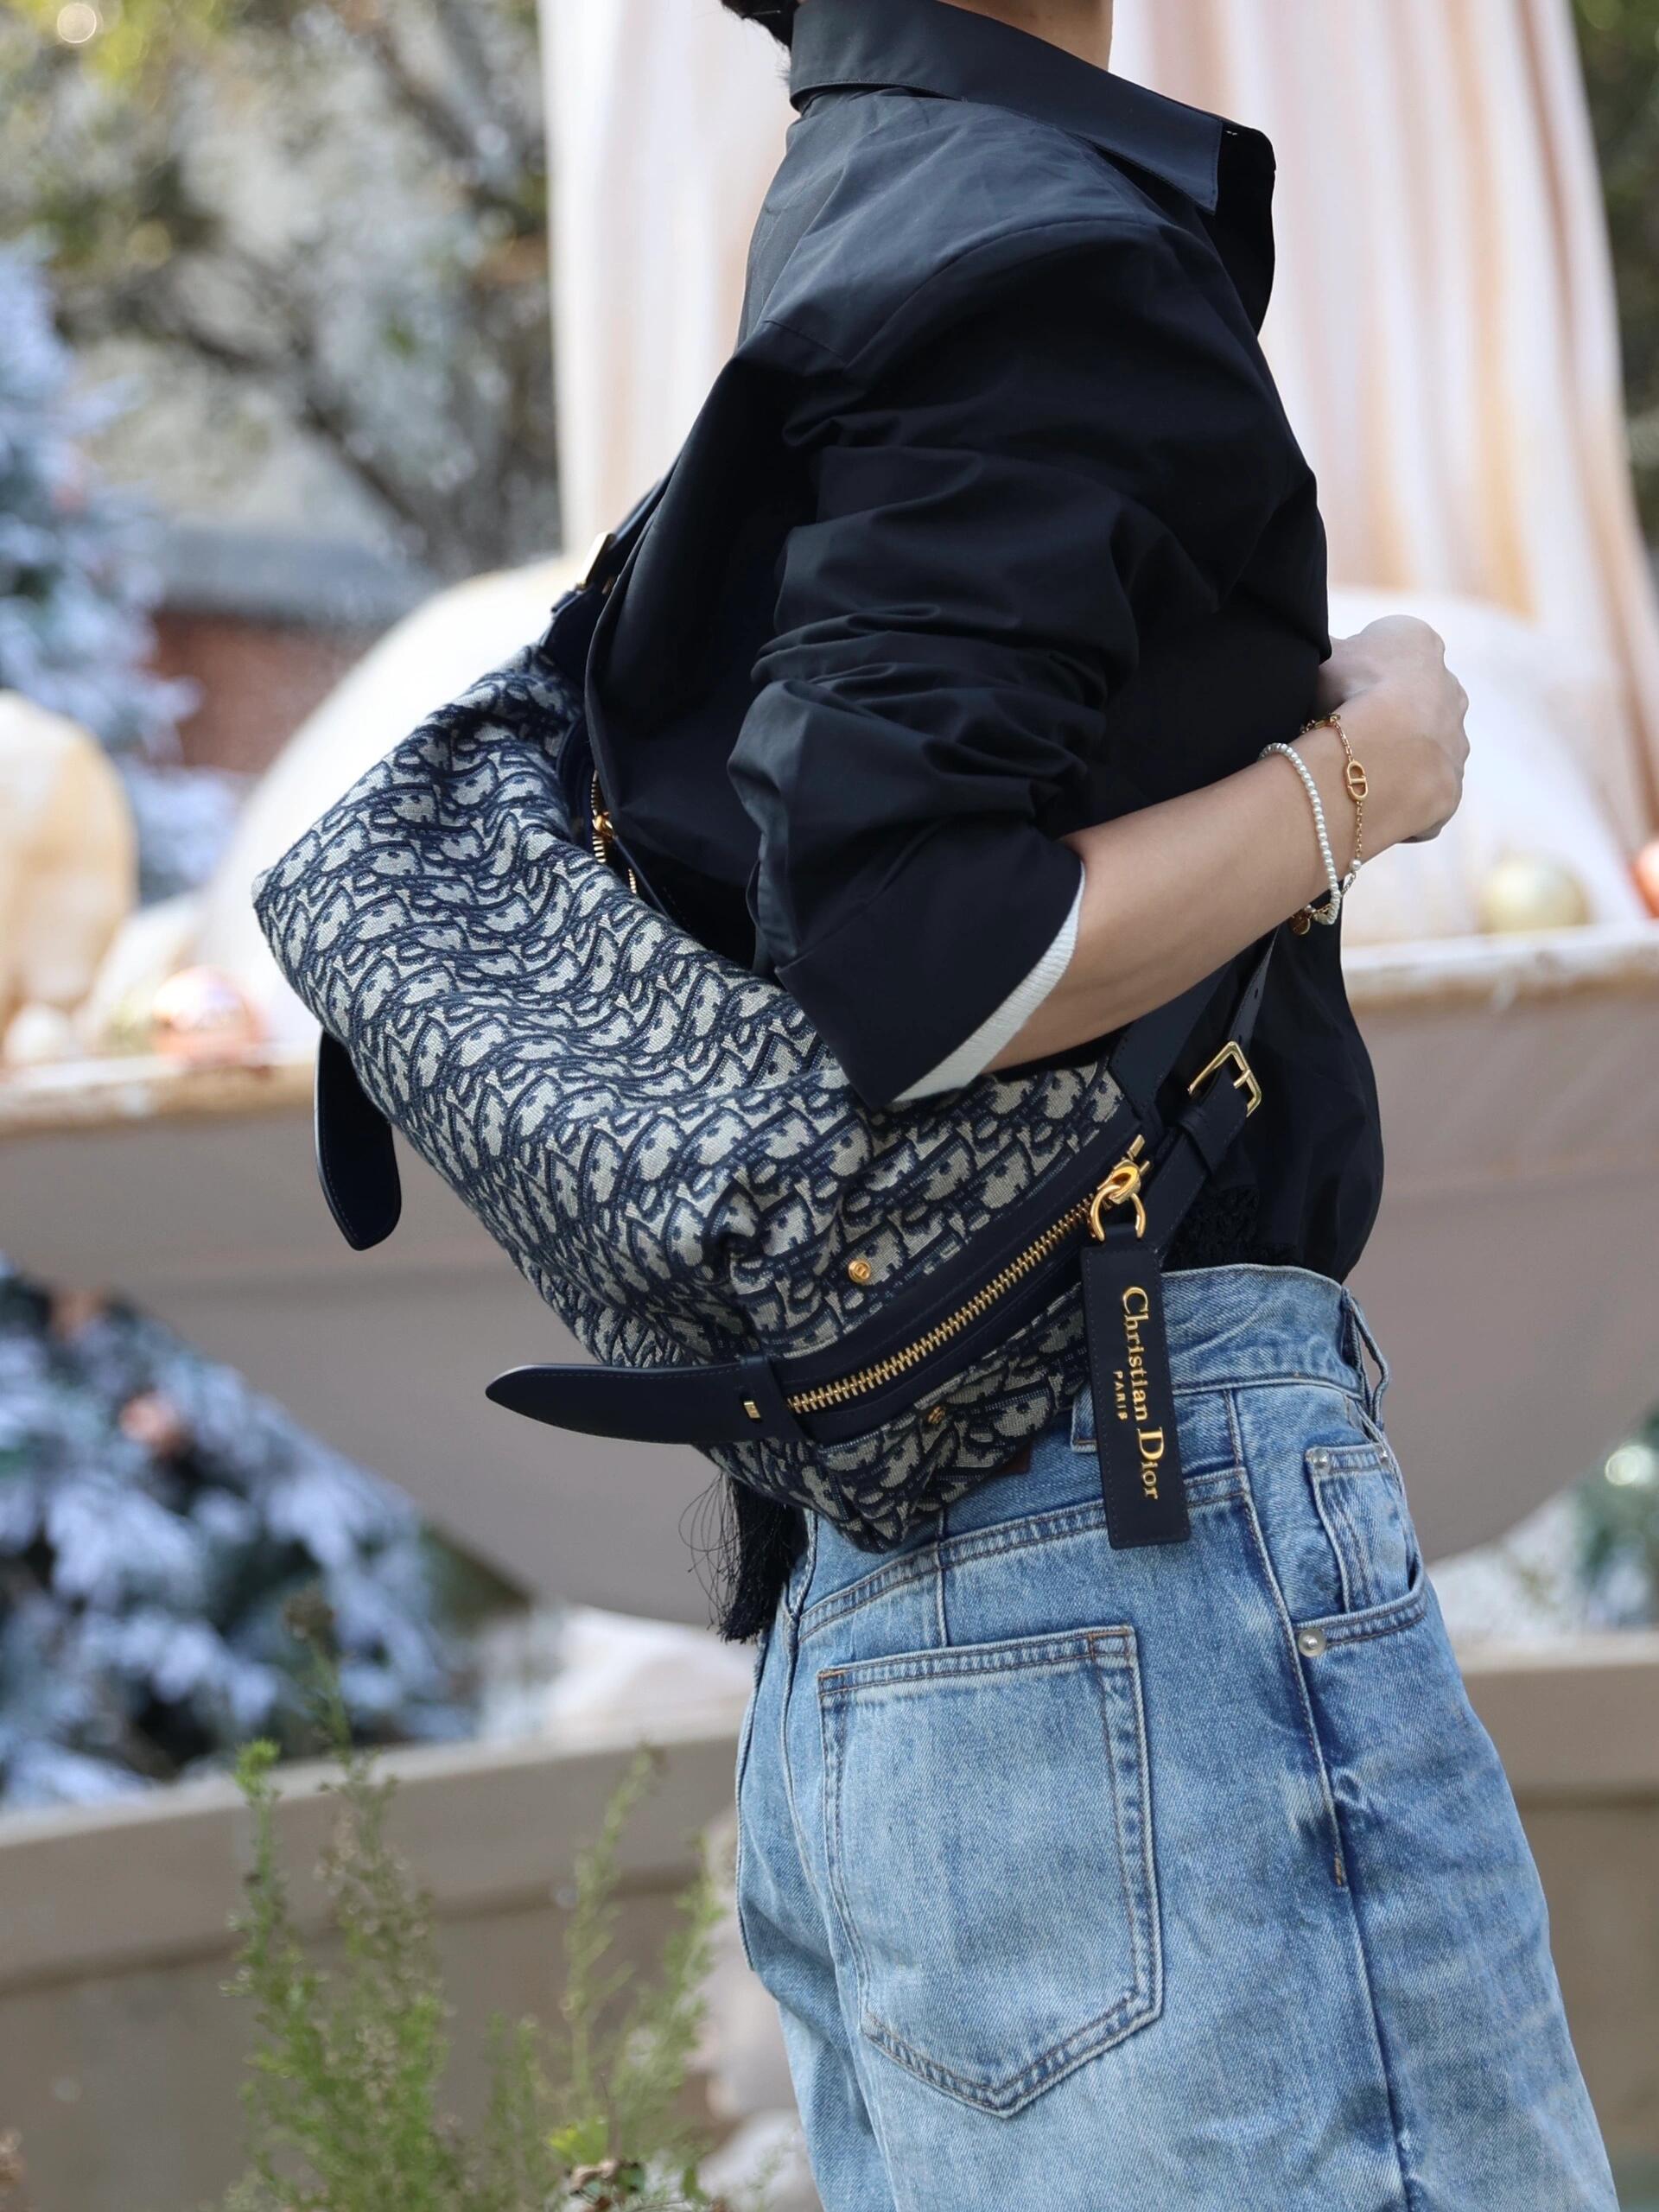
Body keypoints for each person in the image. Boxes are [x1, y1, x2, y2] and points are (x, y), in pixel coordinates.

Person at [584, 0, 1621, 2202]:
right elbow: (909, 938)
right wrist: (1361, 781)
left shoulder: (867, 201)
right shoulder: (1030, 242)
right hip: (1130, 1526)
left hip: (946, 1576)